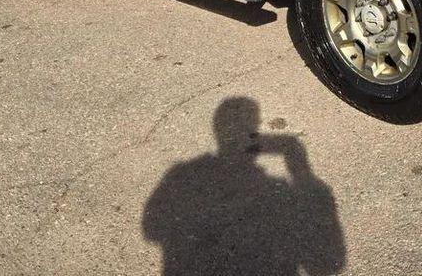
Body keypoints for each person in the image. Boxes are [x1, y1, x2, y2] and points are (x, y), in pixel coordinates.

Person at [142, 96, 346, 276]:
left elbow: (152, 229)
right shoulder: (184, 174)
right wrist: (307, 180)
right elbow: (328, 264)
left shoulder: (182, 173)